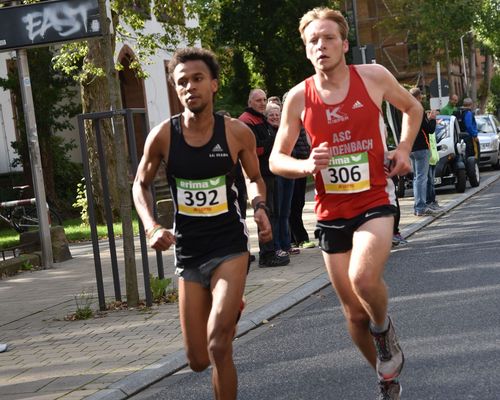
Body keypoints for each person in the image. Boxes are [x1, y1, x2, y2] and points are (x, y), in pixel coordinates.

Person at [269, 7, 423, 399]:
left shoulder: (372, 77)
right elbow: (275, 159)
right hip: (330, 211)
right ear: (306, 50)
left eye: (328, 38)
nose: (321, 45)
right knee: (353, 315)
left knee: (362, 279)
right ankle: (386, 377)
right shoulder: (296, 98)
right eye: (312, 41)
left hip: (374, 198)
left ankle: (385, 329)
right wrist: (305, 165)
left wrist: (404, 149)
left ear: (344, 44)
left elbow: (413, 108)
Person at [132, 47, 272, 400]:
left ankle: (227, 312)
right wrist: (151, 226)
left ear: (213, 85)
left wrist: (259, 206)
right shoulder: (163, 136)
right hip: (188, 251)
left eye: (197, 79)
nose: (190, 87)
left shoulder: (238, 133)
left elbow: (255, 177)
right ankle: (228, 311)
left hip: (229, 247)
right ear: (176, 90)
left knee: (218, 345)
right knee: (196, 360)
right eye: (182, 82)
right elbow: (140, 184)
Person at [239, 89, 289, 267]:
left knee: (273, 214)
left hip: (269, 173)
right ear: (250, 102)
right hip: (257, 176)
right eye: (258, 100)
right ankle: (267, 255)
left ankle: (272, 250)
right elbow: (254, 150)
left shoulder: (261, 119)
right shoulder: (246, 121)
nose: (262, 103)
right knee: (265, 214)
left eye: (264, 99)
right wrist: (272, 142)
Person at [265, 103, 299, 257]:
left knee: (286, 210)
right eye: (271, 115)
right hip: (276, 174)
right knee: (277, 212)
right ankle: (278, 245)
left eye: (277, 114)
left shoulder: (285, 131)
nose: (274, 117)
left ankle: (287, 244)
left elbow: (295, 148)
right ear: (267, 117)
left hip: (288, 173)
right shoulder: (267, 132)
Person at [409, 88, 438, 217]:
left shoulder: (407, 110)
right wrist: (432, 118)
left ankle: (417, 207)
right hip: (421, 148)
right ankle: (421, 207)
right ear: (418, 97)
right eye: (421, 98)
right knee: (422, 178)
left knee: (416, 178)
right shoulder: (418, 110)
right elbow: (430, 130)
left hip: (411, 148)